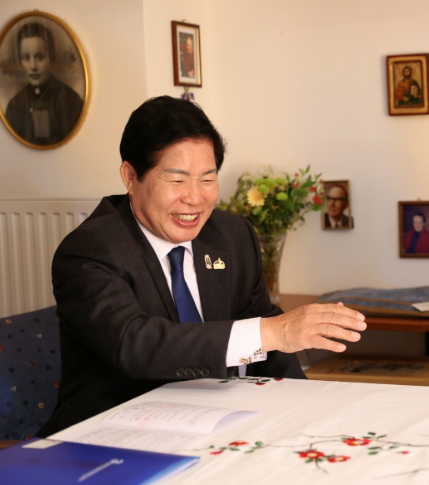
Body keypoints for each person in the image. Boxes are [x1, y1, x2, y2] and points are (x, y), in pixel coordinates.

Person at [37, 96, 366, 436]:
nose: (195, 198)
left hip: (213, 426)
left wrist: (308, 408)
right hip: (110, 436)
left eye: (207, 179)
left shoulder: (232, 235)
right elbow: (135, 344)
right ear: (130, 176)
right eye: (177, 180)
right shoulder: (90, 249)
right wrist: (274, 331)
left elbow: (266, 338)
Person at [5, 22, 83, 146]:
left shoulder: (69, 100)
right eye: (26, 58)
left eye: (39, 57)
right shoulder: (14, 105)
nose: (33, 66)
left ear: (51, 58)